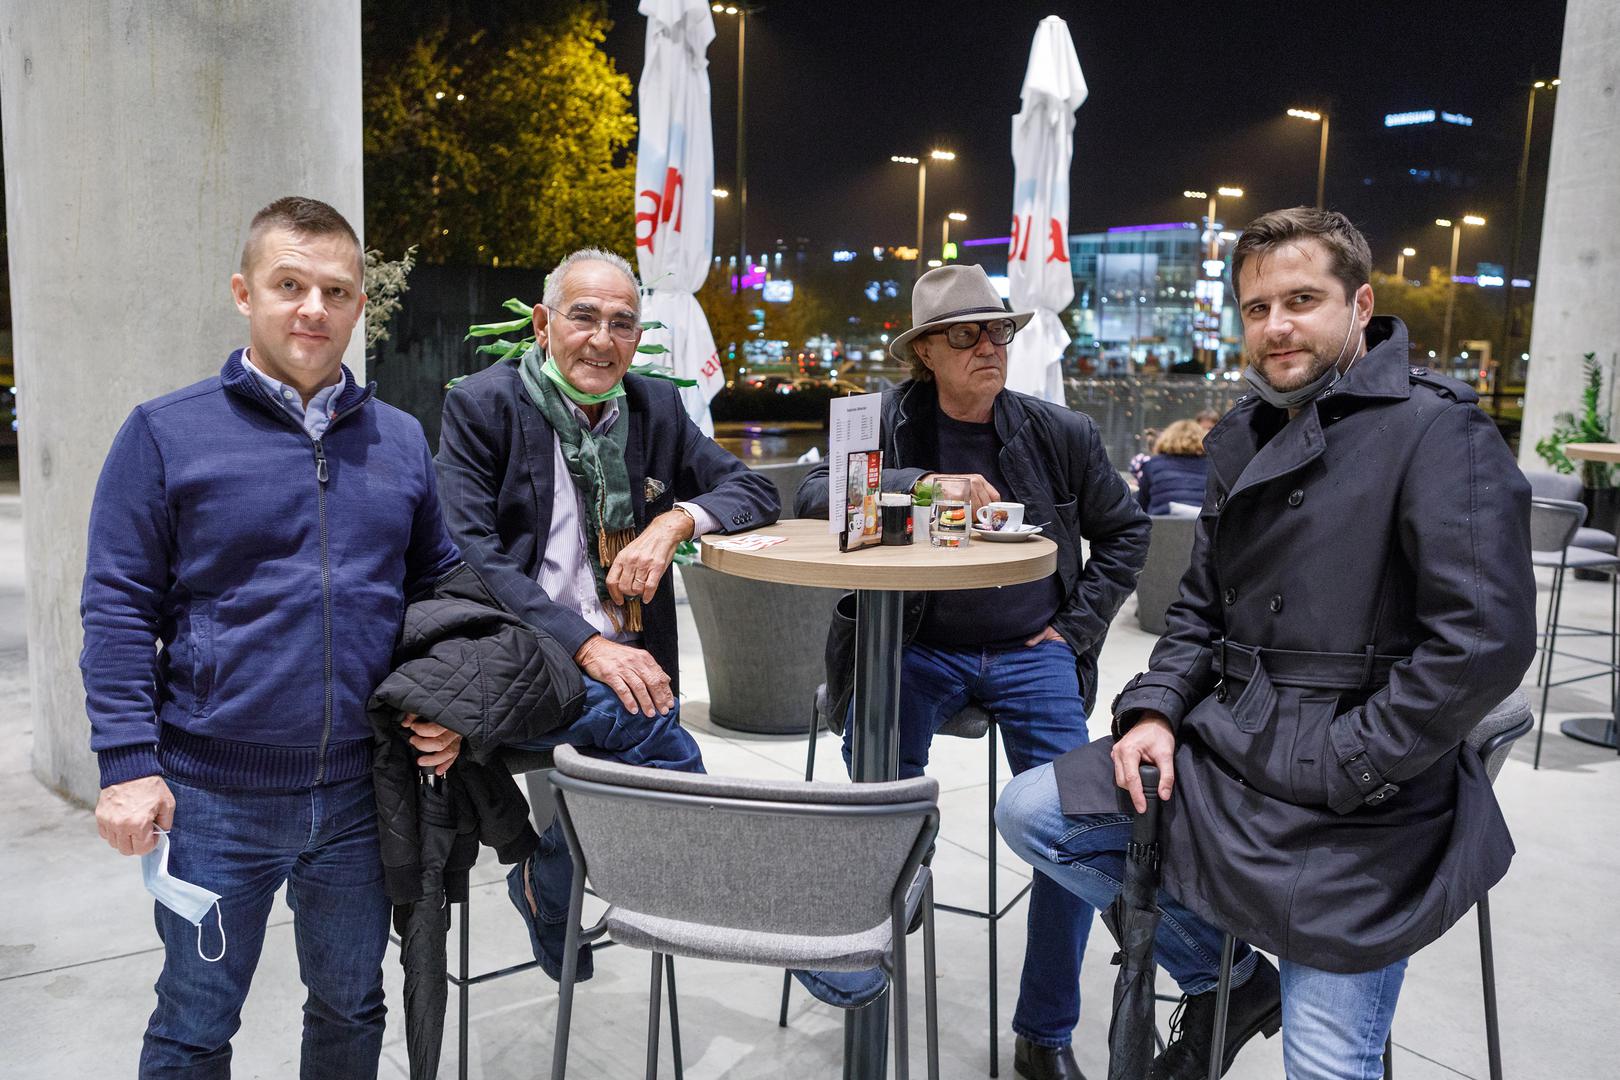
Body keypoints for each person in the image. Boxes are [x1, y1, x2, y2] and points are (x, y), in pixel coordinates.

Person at [995, 207, 1536, 1080]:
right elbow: (1199, 611)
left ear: (1361, 305)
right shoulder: (1243, 433)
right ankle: (1235, 981)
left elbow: (1484, 640)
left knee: (1323, 1067)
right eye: (1257, 308)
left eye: (1301, 300)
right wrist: (1154, 712)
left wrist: (1353, 759)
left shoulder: (1439, 429)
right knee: (1032, 811)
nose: (1276, 325)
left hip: (1361, 796)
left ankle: (1241, 981)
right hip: (1232, 750)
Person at [82, 196, 463, 1076]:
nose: (313, 309)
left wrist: (450, 701)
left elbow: (439, 589)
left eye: (336, 290)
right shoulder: (165, 432)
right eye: (289, 285)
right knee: (194, 1021)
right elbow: (118, 606)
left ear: (360, 304)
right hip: (215, 796)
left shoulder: (401, 440)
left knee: (351, 1007)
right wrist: (127, 763)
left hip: (362, 794)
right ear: (243, 292)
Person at [796, 263, 1150, 1080]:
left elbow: (1126, 532)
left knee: (1077, 821)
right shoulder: (884, 422)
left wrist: (1072, 630)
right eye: (968, 334)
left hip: (1033, 648)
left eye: (1000, 330)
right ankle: (897, 875)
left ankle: (1044, 1032)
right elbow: (816, 492)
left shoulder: (1057, 431)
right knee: (879, 780)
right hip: (916, 642)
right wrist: (921, 483)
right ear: (925, 352)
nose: (991, 345)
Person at [434, 246, 779, 982]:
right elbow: (471, 555)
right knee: (653, 730)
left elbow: (754, 490)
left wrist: (674, 522)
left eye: (622, 323)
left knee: (640, 764)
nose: (602, 339)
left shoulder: (653, 407)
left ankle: (546, 881)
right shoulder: (485, 405)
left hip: (628, 657)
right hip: (525, 653)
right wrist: (588, 646)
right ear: (542, 324)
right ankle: (766, 915)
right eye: (583, 316)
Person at [1135, 419, 1209, 515]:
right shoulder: (1212, 465)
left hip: (1162, 520)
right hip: (1202, 521)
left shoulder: (1153, 465)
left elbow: (1142, 505)